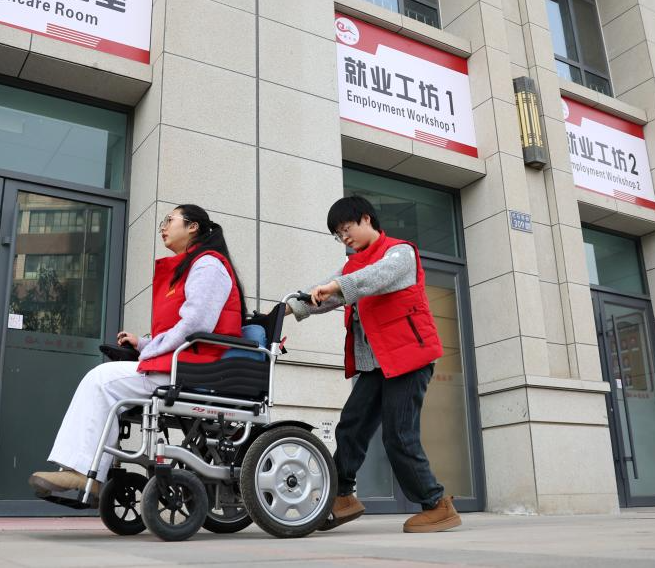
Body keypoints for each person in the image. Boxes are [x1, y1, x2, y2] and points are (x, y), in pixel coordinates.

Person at [29, 204, 246, 501]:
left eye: (169, 220)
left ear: (193, 226)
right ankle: (85, 470)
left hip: (194, 368)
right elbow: (183, 329)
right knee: (104, 381)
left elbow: (196, 324)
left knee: (101, 380)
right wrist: (144, 344)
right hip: (184, 363)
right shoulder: (195, 265)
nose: (163, 227)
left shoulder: (208, 265)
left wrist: (150, 350)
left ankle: (83, 472)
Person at [285, 196, 460, 533]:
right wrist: (287, 309)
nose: (344, 237)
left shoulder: (399, 253)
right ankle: (341, 496)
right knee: (351, 426)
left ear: (366, 219)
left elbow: (375, 277)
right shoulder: (352, 267)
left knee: (398, 435)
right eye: (338, 234)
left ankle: (437, 504)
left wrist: (337, 286)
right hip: (377, 364)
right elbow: (325, 294)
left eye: (346, 228)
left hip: (408, 359)